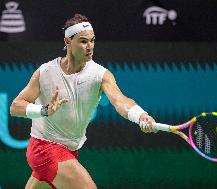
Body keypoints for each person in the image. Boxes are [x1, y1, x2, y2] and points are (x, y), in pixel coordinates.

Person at [10, 14, 157, 189]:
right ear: (67, 42)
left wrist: (141, 115)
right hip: (44, 148)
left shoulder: (100, 75)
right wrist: (45, 110)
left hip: (69, 150)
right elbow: (15, 106)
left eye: (92, 41)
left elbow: (120, 101)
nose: (90, 47)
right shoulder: (46, 72)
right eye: (83, 41)